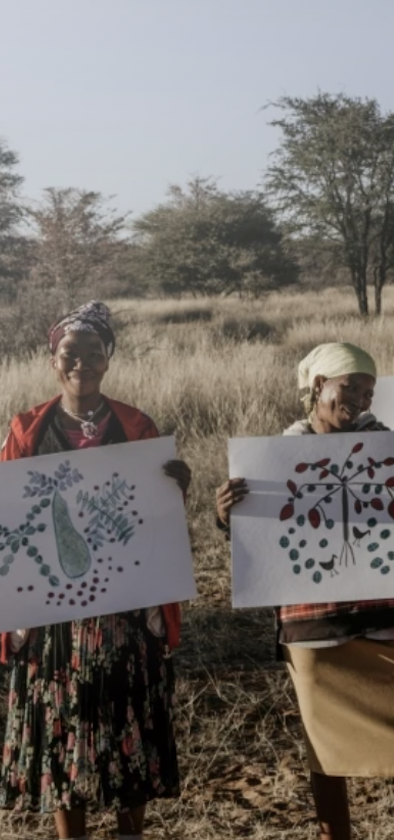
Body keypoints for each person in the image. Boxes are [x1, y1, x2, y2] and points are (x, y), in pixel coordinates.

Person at [0, 302, 190, 840]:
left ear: (108, 360)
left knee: (128, 714)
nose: (80, 362)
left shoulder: (136, 426)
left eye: (93, 353)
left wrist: (176, 487)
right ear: (52, 360)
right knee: (64, 726)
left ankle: (130, 832)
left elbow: (156, 516)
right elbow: (8, 517)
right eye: (70, 354)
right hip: (54, 615)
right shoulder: (25, 430)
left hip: (125, 606)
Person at [214, 343, 394, 840]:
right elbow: (262, 534)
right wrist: (227, 515)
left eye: (368, 390)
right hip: (312, 620)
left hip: (383, 614)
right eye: (350, 386)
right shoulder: (276, 458)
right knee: (325, 749)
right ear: (316, 387)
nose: (361, 399)